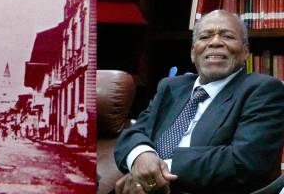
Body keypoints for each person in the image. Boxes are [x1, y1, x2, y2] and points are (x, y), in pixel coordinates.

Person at [114, 10, 284, 194]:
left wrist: (154, 171)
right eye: (205, 36)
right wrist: (140, 156)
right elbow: (134, 134)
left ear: (245, 52)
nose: (216, 42)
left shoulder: (262, 90)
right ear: (193, 53)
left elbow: (244, 160)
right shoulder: (171, 87)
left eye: (227, 36)